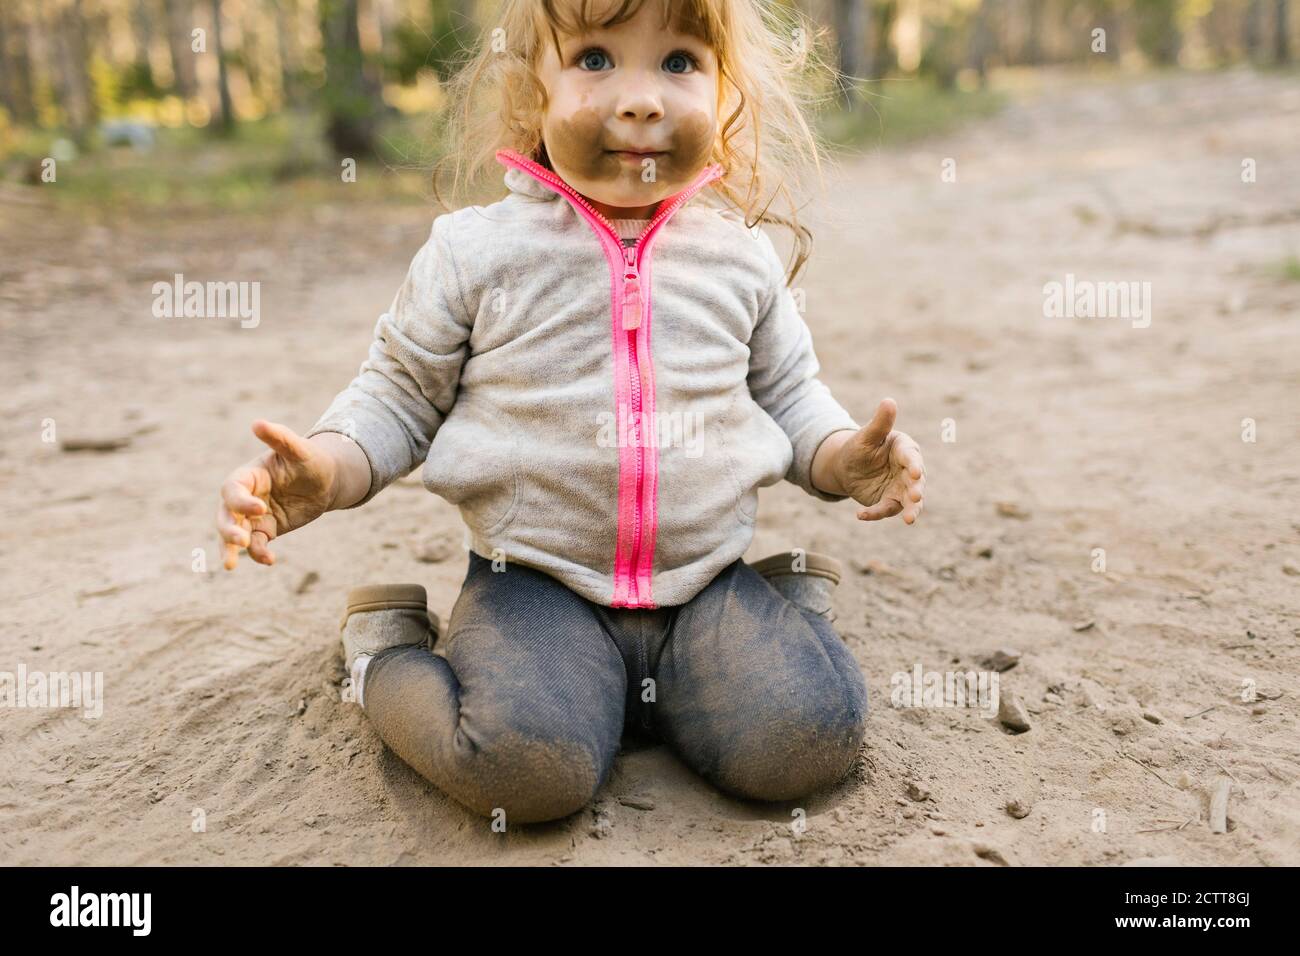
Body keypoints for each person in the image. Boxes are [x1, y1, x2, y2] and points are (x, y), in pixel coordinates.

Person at [215, 0, 925, 825]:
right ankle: (384, 655)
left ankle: (776, 613)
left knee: (808, 739)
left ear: (725, 92)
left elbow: (792, 398)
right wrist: (329, 467)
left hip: (701, 584)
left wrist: (844, 460)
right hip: (535, 587)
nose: (640, 99)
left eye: (679, 63)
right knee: (522, 773)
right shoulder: (476, 252)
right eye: (594, 59)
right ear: (532, 94)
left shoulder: (740, 256)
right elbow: (401, 395)